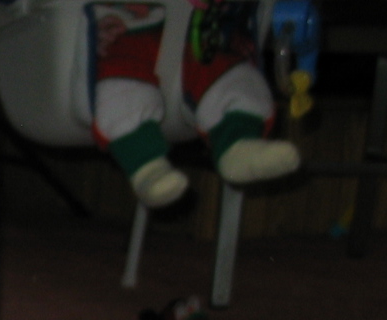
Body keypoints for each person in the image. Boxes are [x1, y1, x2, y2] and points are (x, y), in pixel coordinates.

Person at [91, 1, 299, 208]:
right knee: (117, 91)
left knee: (236, 77)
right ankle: (146, 168)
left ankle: (238, 145)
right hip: (124, 40)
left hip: (196, 37)